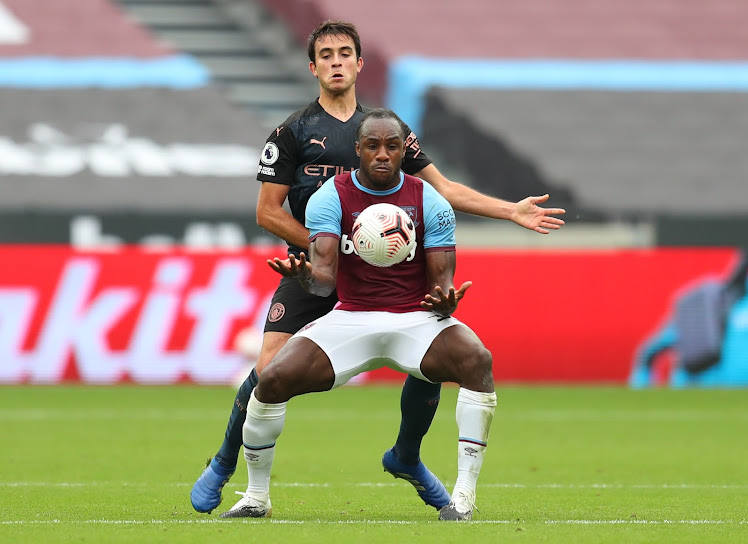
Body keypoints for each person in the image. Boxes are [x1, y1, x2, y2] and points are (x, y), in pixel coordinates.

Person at [191, 20, 565, 515]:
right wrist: (333, 250)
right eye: (326, 55)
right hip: (315, 268)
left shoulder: (384, 132)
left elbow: (443, 191)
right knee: (268, 374)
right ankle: (224, 461)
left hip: (388, 273)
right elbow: (267, 212)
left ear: (360, 62)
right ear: (313, 67)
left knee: (434, 350)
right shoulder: (292, 133)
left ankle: (407, 455)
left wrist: (509, 210)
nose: (337, 62)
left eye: (345, 53)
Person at [220, 108, 497, 521]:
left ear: (405, 150)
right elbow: (325, 280)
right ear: (359, 150)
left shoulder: (432, 202)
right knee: (271, 378)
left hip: (413, 318)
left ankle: (463, 498)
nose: (382, 155)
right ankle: (256, 497)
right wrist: (304, 276)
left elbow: (442, 281)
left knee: (477, 360)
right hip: (351, 316)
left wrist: (446, 303)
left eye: (391, 146)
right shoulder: (329, 197)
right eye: (373, 146)